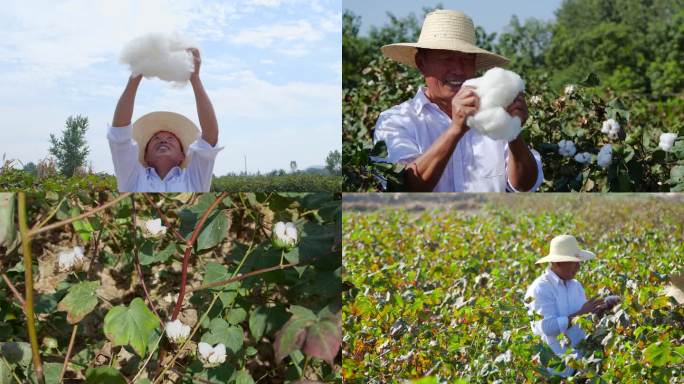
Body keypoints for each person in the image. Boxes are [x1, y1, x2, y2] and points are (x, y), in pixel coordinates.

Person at [374, 10, 543, 192]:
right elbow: (404, 186)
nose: (458, 70)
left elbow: (524, 186)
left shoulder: (494, 116)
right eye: (446, 58)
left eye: (466, 60)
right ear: (421, 63)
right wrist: (456, 129)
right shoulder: (395, 121)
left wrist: (512, 130)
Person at [109, 48, 223, 192]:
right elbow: (119, 135)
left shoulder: (195, 180)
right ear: (145, 156)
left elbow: (210, 136)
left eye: (170, 138)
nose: (163, 140)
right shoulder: (131, 178)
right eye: (156, 138)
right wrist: (135, 77)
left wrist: (195, 78)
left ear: (182, 155)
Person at [524, 235, 607, 377]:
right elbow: (547, 327)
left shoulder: (576, 286)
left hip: (580, 368)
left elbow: (582, 322)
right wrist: (581, 313)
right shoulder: (541, 288)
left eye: (578, 262)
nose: (578, 266)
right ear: (557, 263)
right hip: (555, 372)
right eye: (573, 262)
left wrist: (597, 312)